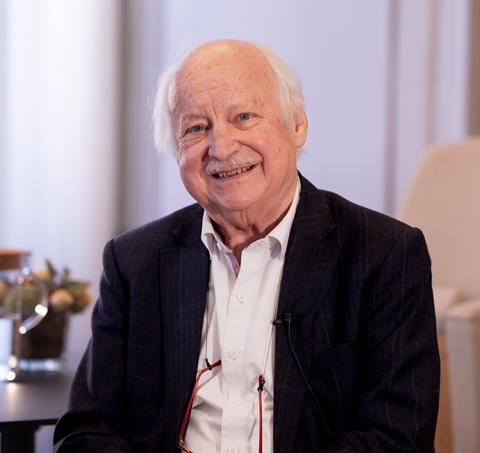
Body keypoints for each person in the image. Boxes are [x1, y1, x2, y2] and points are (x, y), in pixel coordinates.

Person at [54, 39, 439, 452]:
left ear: (297, 126)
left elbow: (397, 438)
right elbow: (86, 431)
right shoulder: (134, 261)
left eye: (244, 117)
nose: (221, 147)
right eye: (196, 128)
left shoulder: (384, 254)